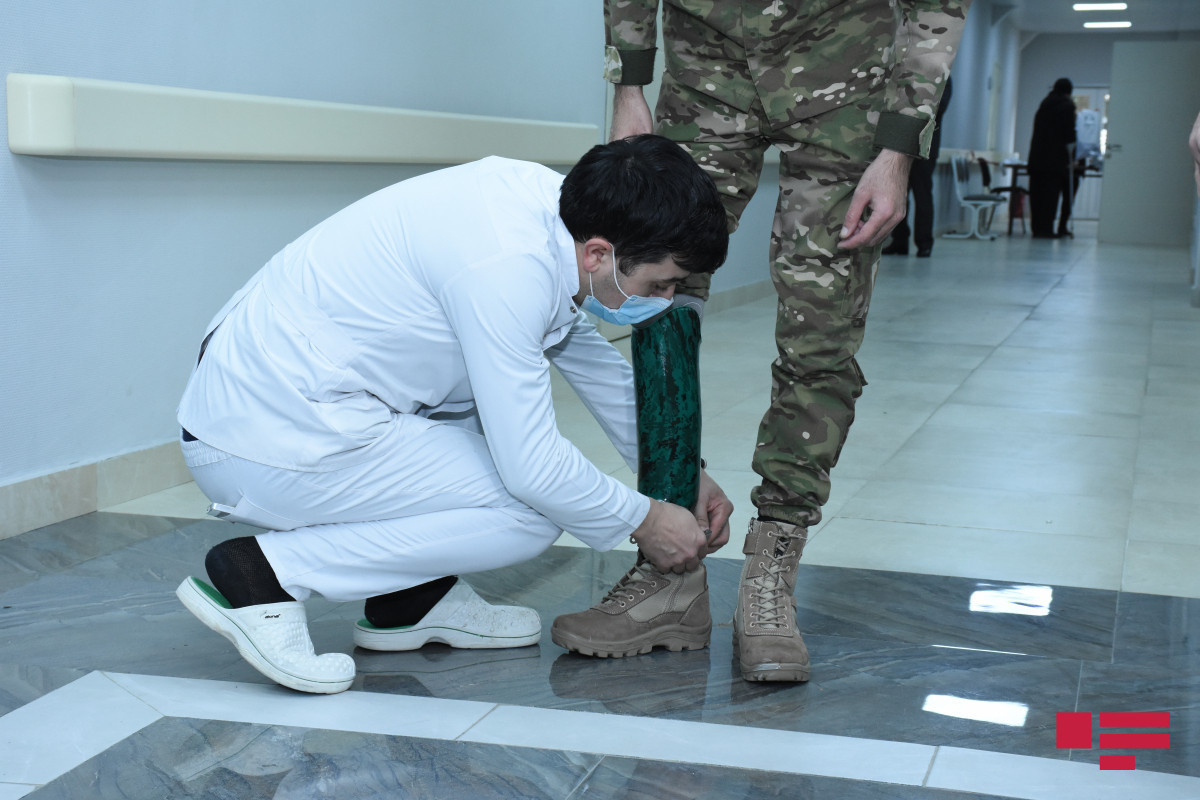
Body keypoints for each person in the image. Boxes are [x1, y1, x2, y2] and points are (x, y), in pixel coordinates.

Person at [174, 134, 735, 694]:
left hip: (283, 404)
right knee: (529, 510)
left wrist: (686, 473)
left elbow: (588, 360)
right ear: (598, 255)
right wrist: (644, 519)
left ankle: (411, 600)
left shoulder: (556, 209)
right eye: (659, 283)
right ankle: (266, 574)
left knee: (471, 420)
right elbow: (533, 468)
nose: (663, 301)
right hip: (271, 438)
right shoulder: (506, 269)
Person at [553, 1, 969, 683]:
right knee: (659, 305)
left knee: (820, 335)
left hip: (844, 73)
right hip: (706, 66)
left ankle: (771, 572)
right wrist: (629, 84)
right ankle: (669, 573)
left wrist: (899, 146)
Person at [883, 76, 953, 258]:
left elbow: (937, 109)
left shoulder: (943, 77)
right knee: (899, 193)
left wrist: (911, 107)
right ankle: (900, 241)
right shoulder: (908, 74)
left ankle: (924, 243)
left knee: (923, 196)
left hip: (925, 148)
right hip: (901, 145)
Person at [1027, 78, 1077, 239]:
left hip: (1036, 159)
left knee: (1037, 196)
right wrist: (1072, 156)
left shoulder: (1044, 104)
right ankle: (1047, 229)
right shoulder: (1067, 106)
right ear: (1069, 92)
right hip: (1055, 161)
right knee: (1050, 197)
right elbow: (1069, 134)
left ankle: (1037, 229)